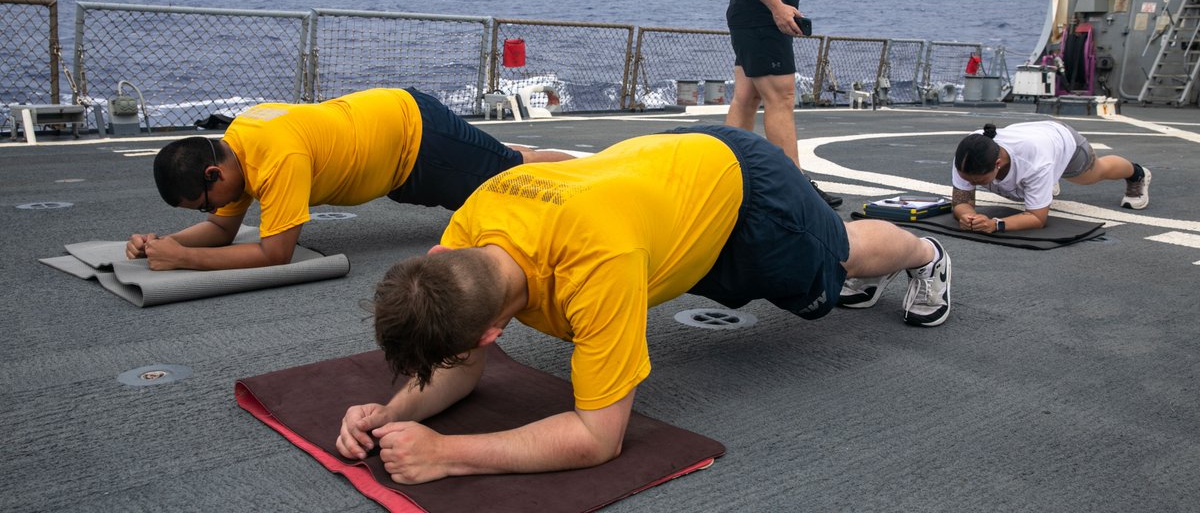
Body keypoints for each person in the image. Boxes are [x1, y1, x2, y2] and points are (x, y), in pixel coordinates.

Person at [334, 125, 951, 484]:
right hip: (660, 184)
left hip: (743, 194)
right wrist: (391, 413)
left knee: (836, 258)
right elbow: (457, 364)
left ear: (492, 334)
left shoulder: (596, 271)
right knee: (813, 266)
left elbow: (596, 438)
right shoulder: (470, 229)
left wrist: (448, 454)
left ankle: (925, 254)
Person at [124, 88, 571, 271]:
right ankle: (573, 166)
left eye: (203, 202)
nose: (212, 210)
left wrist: (186, 258)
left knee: (510, 177)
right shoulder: (238, 142)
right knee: (506, 162)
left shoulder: (278, 156)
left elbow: (275, 252)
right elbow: (223, 229)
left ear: (212, 173)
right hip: (398, 150)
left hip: (418, 141)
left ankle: (590, 173)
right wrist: (163, 242)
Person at [724, 0, 841, 209]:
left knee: (746, 97)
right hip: (763, 18)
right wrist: (777, 8)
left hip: (759, 18)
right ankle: (794, 188)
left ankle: (728, 179)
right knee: (781, 96)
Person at [951, 121, 1151, 234]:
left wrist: (996, 224)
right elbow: (962, 201)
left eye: (978, 181)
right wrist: (968, 217)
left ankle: (1137, 173)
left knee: (1095, 173)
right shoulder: (968, 155)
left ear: (997, 164)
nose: (971, 184)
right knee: (1034, 182)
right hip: (1034, 141)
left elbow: (1037, 218)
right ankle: (1044, 184)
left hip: (1064, 143)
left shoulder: (1036, 161)